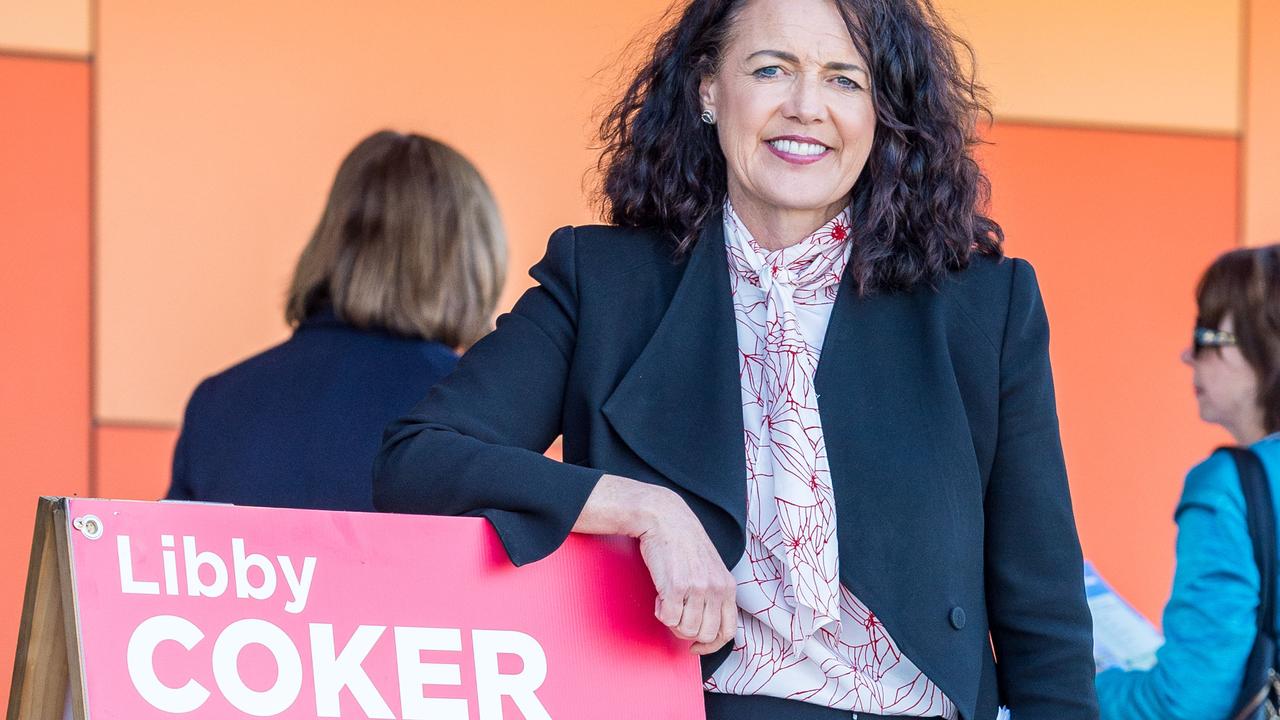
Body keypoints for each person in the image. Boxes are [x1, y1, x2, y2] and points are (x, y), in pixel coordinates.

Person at [374, 0, 1097, 717]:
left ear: (883, 113)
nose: (807, 106)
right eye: (772, 68)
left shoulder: (985, 308)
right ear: (708, 89)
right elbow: (417, 461)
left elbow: (1045, 622)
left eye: (845, 79)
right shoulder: (601, 283)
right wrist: (644, 510)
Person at [166, 130, 506, 511]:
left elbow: (172, 562)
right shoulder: (475, 408)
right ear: (472, 259)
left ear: (332, 239)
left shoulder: (217, 401)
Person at [1096, 244, 1280, 719]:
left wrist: (1070, 690)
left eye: (1205, 334)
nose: (1186, 354)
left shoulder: (1231, 486)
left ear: (1265, 347)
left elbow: (1187, 704)